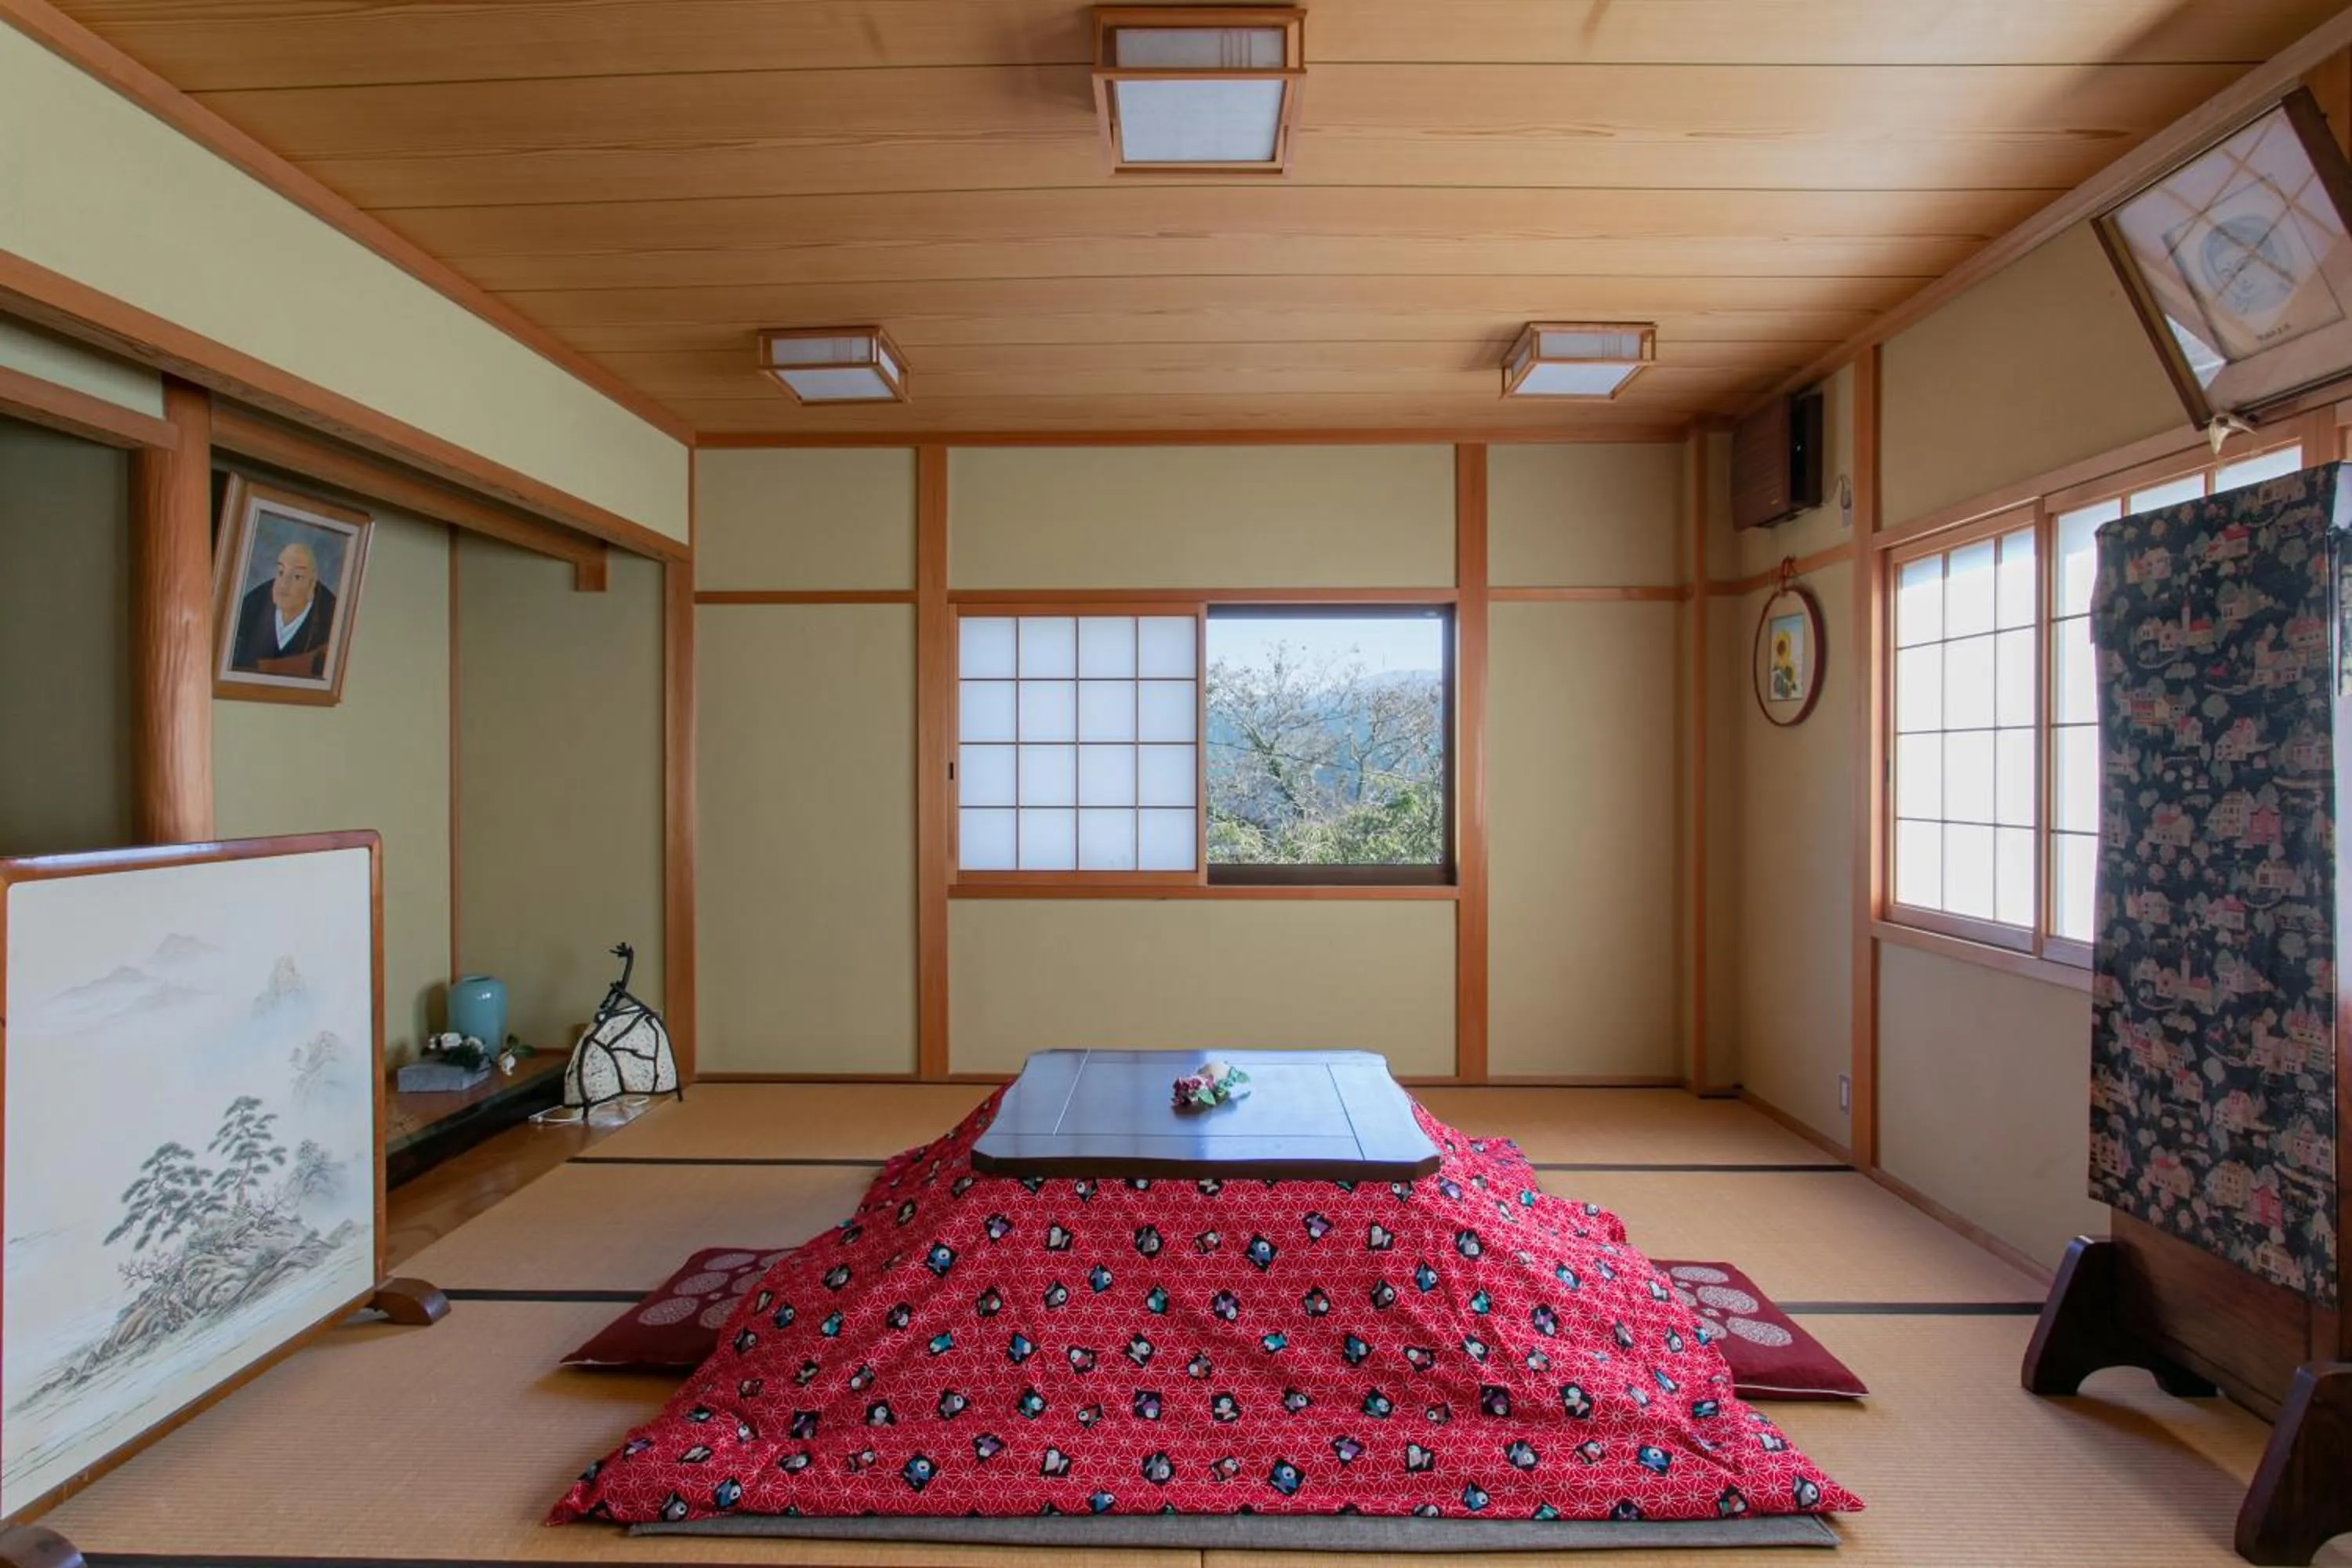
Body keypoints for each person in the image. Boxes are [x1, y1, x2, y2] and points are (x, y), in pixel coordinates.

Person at [230, 538, 339, 677]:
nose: (284, 584)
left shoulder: (332, 614)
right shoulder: (251, 605)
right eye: (281, 572)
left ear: (312, 583)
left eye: (297, 576)